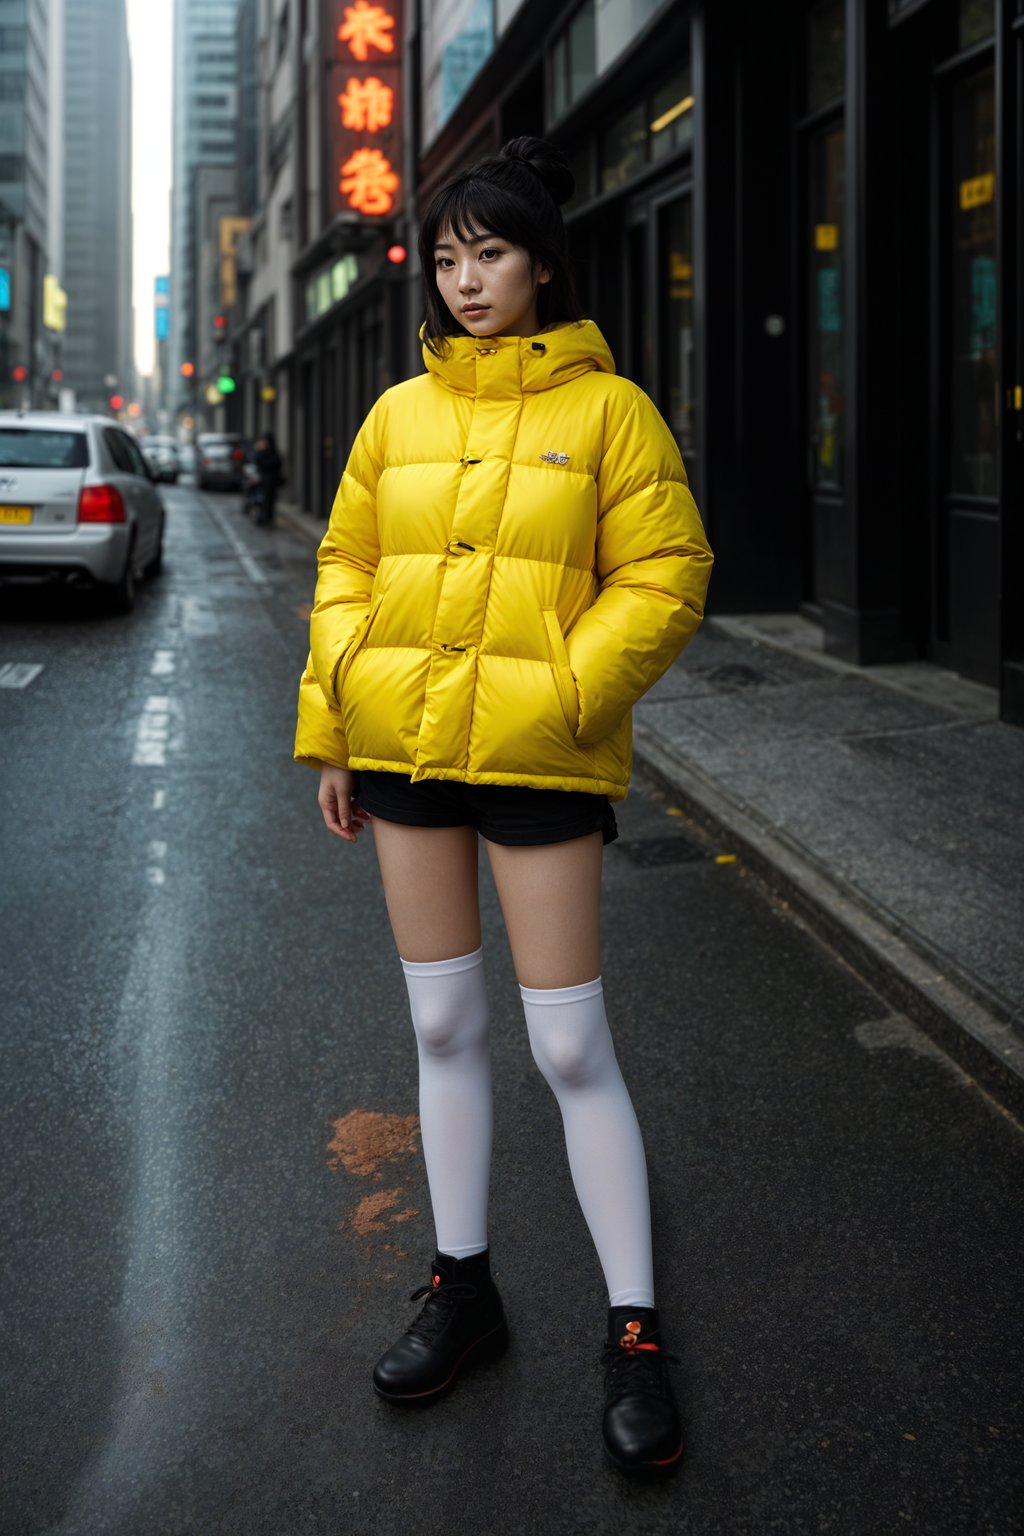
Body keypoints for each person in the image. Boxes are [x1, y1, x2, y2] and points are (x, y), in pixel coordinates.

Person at [295, 136, 713, 1475]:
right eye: (453, 258)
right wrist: (338, 726)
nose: (470, 282)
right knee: (443, 1020)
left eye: (494, 254)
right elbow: (346, 565)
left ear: (542, 262)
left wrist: (566, 697)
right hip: (407, 752)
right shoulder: (395, 414)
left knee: (571, 1045)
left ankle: (634, 1330)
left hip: (538, 758)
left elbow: (667, 572)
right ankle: (463, 1288)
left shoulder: (612, 411)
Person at [253, 431, 282, 525]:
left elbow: (275, 463)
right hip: (262, 480)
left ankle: (268, 517)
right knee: (263, 498)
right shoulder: (260, 452)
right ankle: (263, 516)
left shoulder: (273, 452)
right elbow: (257, 463)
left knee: (270, 500)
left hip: (271, 481)